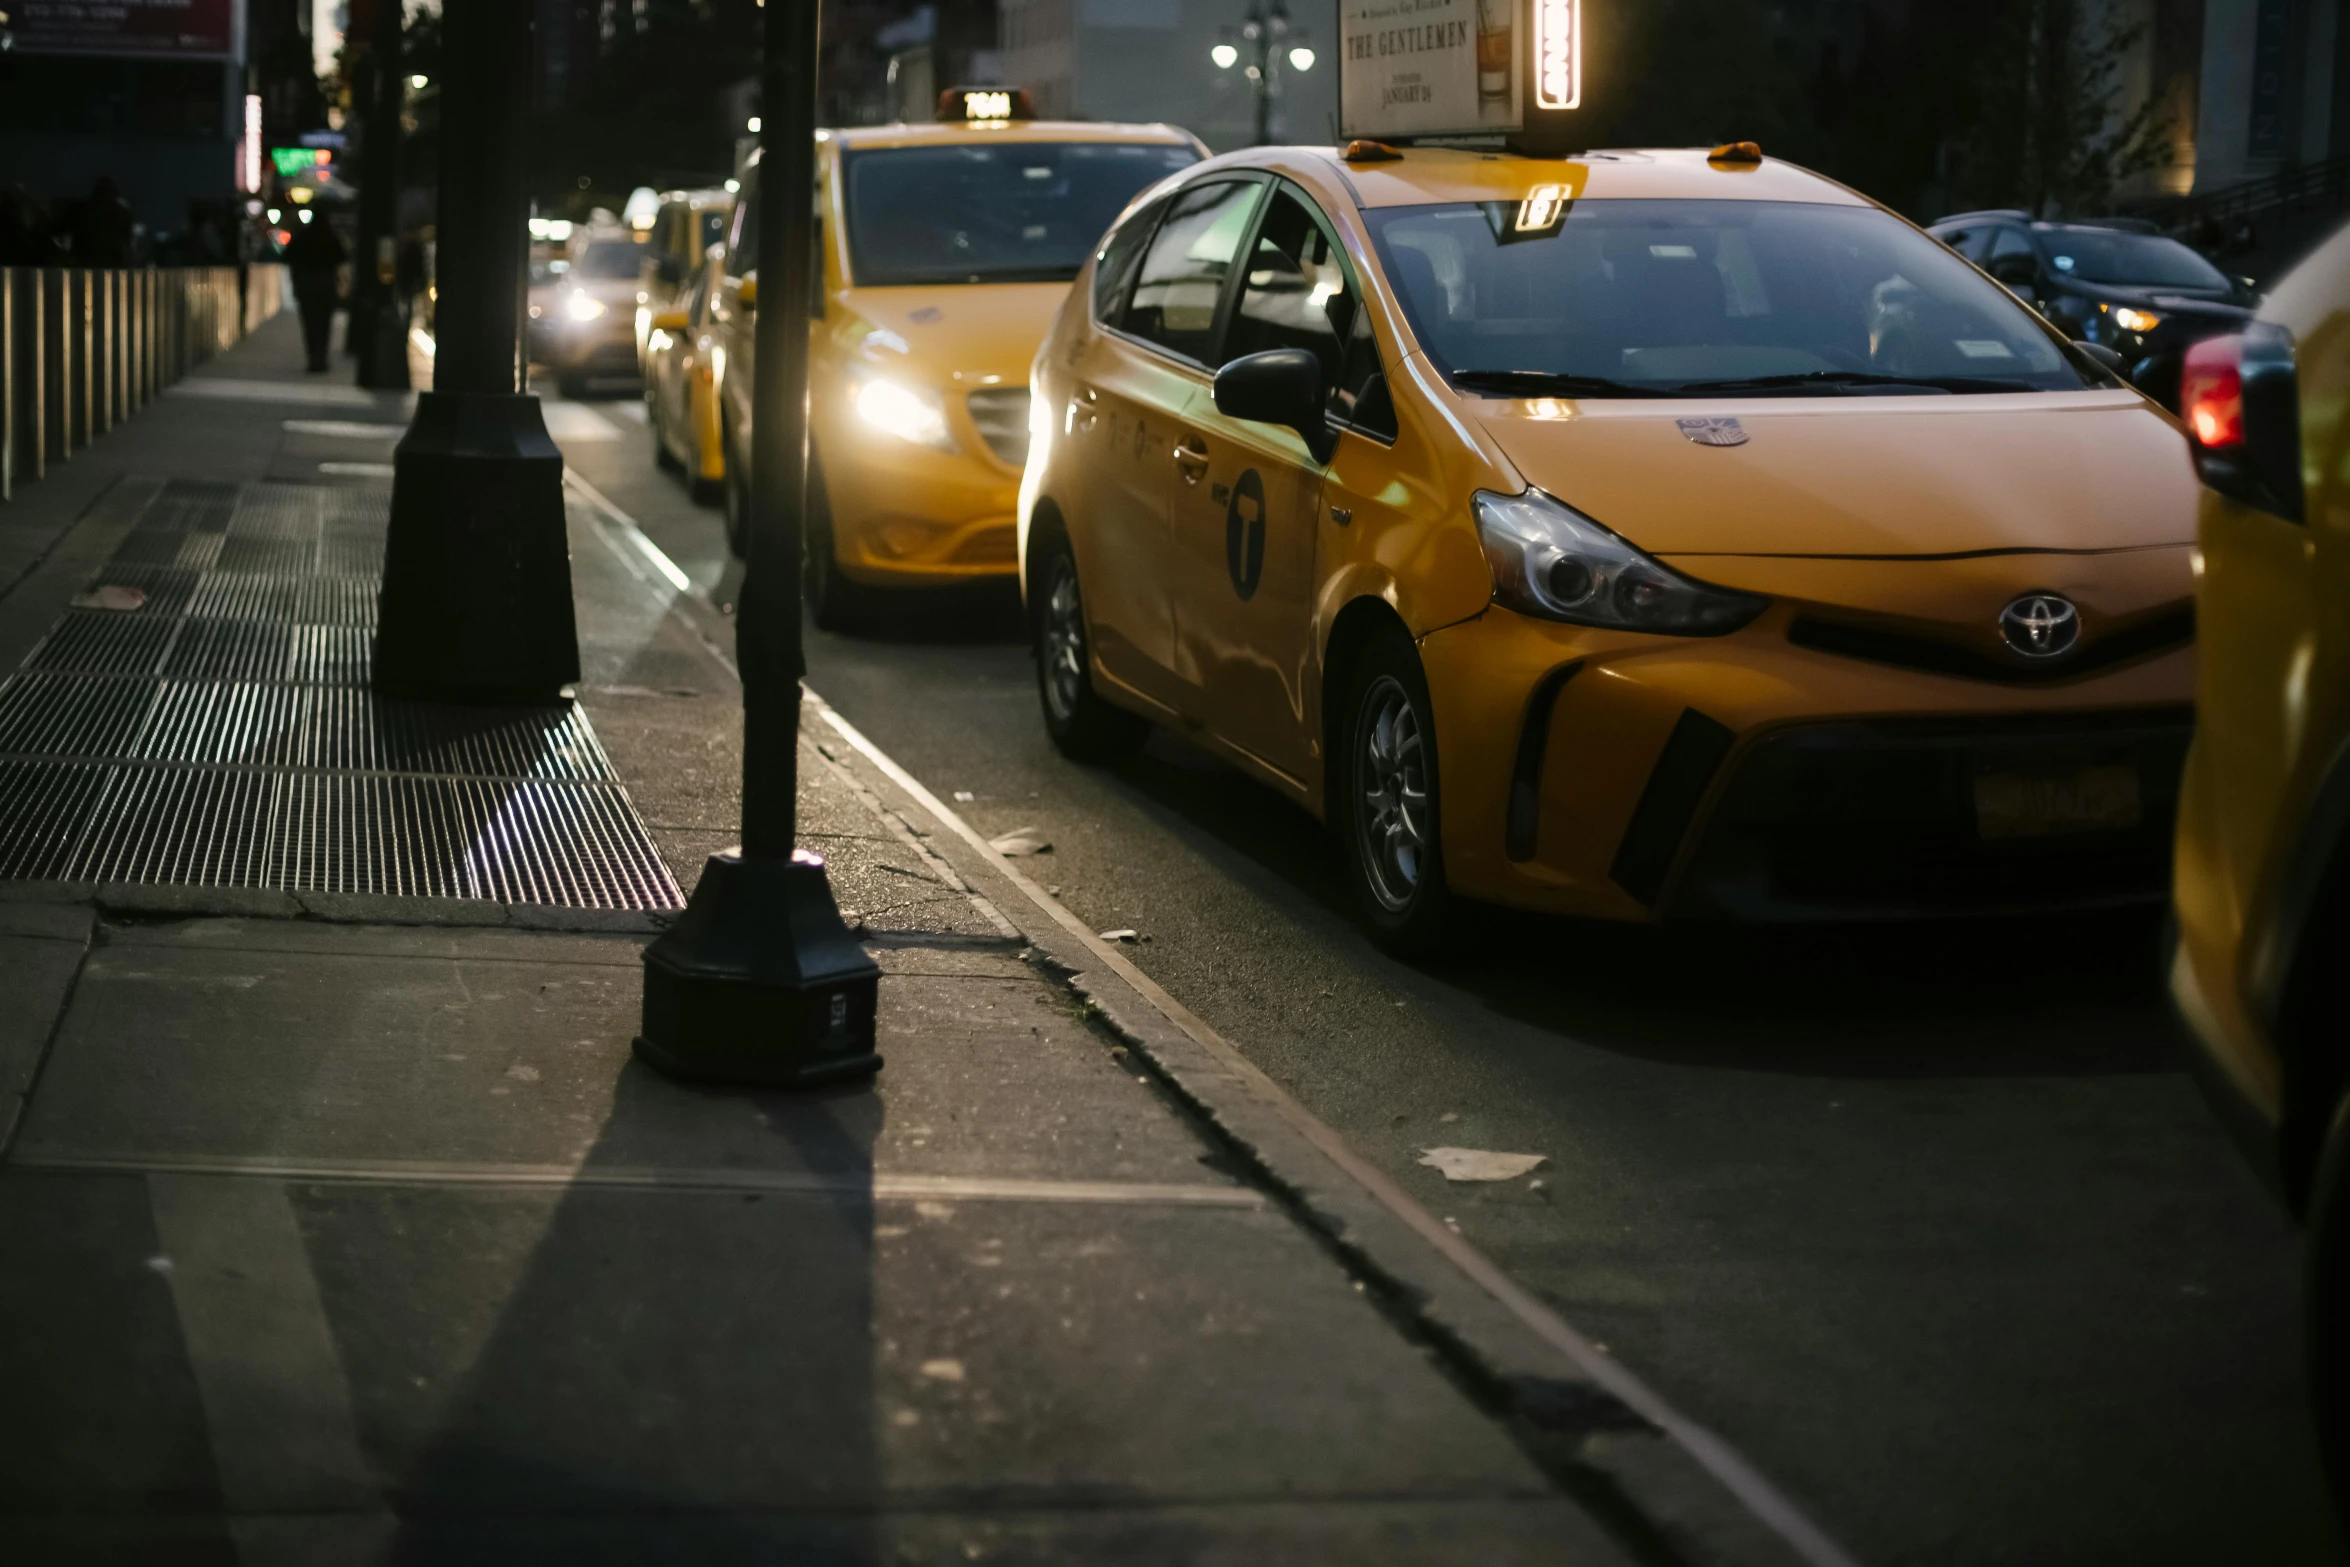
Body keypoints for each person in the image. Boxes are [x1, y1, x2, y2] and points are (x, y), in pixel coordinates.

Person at [283, 216, 347, 372]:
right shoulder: (331, 238)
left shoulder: (303, 237)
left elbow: (287, 256)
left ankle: (313, 358)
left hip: (306, 285)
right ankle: (322, 358)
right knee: (324, 325)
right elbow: (342, 257)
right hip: (326, 285)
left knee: (310, 324)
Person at [66, 176, 134, 265]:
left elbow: (62, 228)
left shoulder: (80, 209)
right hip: (112, 260)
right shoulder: (122, 212)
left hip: (84, 259)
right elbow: (127, 238)